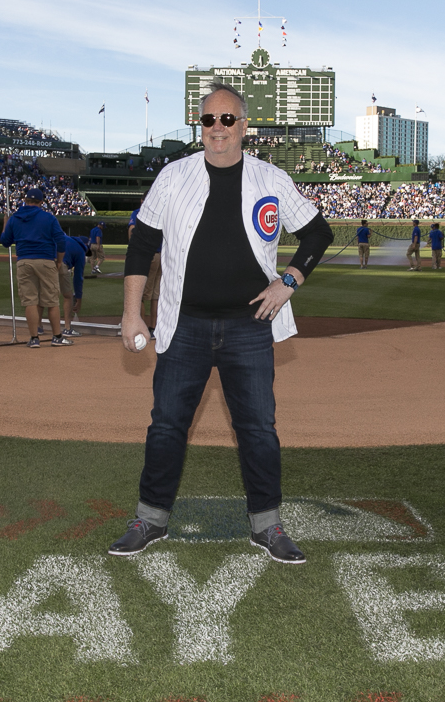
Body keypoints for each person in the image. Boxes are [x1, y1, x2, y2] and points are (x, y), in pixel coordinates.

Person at [109, 82, 333, 565]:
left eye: (227, 120)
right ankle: (149, 519)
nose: (217, 129)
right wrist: (131, 313)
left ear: (244, 126)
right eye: (208, 120)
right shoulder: (173, 176)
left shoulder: (270, 178)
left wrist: (288, 282)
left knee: (258, 428)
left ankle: (267, 526)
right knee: (167, 425)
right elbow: (141, 246)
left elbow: (318, 232)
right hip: (183, 325)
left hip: (249, 326)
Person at [0, 187, 72, 348]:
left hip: (24, 261)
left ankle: (34, 338)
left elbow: (5, 242)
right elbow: (60, 240)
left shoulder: (14, 218)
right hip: (45, 260)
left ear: (26, 201)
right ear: (40, 202)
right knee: (52, 301)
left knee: (30, 301)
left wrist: (5, 224)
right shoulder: (48, 217)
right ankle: (57, 337)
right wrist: (59, 261)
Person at [59, 233, 89, 335]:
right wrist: (79, 299)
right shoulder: (81, 250)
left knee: (44, 294)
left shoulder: (67, 239)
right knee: (68, 296)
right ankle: (67, 328)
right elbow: (78, 278)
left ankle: (38, 328)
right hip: (60, 263)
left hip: (44, 260)